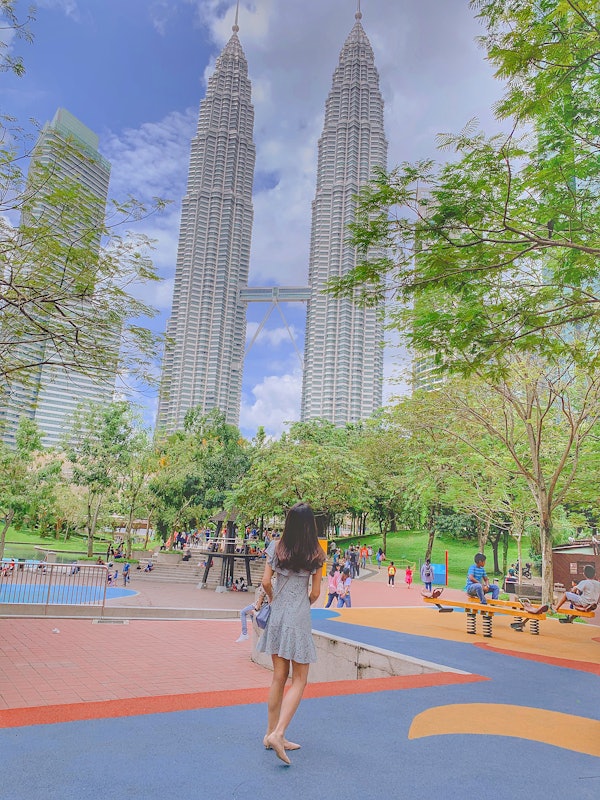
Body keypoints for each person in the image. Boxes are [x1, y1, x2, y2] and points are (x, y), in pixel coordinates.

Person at [256, 502, 325, 764]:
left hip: (278, 614)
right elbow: (315, 593)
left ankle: (270, 733)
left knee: (278, 676)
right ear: (310, 526)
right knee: (299, 679)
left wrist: (273, 599)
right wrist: (302, 603)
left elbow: (265, 582)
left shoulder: (276, 547)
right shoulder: (315, 553)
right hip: (298, 616)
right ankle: (279, 734)